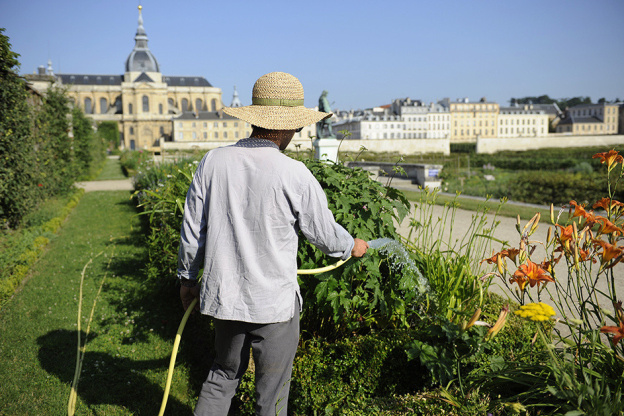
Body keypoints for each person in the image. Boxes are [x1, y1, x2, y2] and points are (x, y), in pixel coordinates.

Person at [177, 71, 369, 416]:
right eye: (297, 127)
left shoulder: (213, 163)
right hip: (274, 305)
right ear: (288, 127)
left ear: (255, 119)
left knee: (221, 376)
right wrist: (350, 246)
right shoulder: (294, 173)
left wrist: (188, 280)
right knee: (273, 394)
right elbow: (324, 235)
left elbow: (193, 232)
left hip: (226, 298)